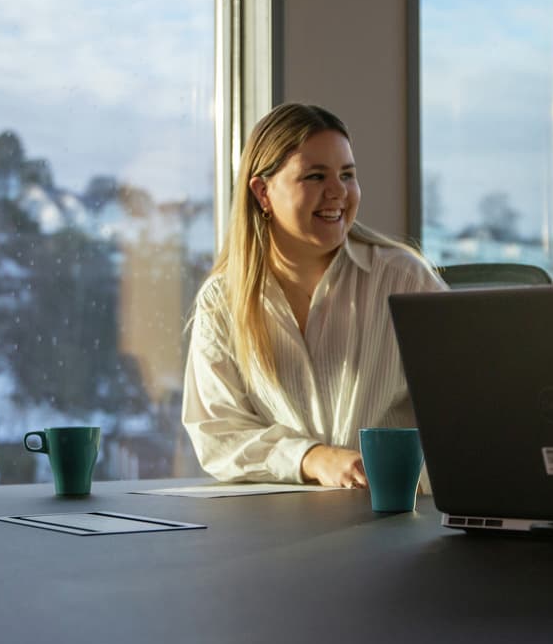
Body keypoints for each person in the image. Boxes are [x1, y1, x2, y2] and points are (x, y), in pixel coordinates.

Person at [182, 103, 445, 488]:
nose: (338, 191)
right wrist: (310, 458)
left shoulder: (404, 279)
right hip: (278, 527)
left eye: (347, 174)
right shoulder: (221, 301)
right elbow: (217, 434)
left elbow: (469, 407)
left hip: (395, 517)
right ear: (262, 192)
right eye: (315, 176)